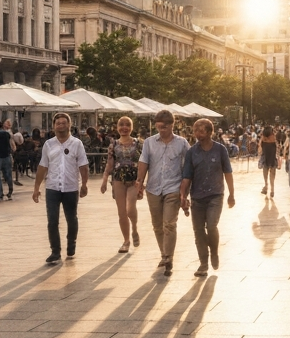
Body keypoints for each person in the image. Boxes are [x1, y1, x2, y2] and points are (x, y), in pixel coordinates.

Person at [136, 110, 189, 277]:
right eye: (158, 127)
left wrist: (185, 192)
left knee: (169, 224)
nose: (161, 130)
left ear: (172, 125)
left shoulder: (182, 144)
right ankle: (164, 254)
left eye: (164, 127)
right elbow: (144, 162)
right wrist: (139, 182)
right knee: (157, 226)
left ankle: (169, 258)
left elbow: (188, 168)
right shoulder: (149, 143)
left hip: (173, 188)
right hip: (153, 188)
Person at [31, 112, 89, 264]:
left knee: (72, 218)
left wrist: (84, 184)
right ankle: (55, 251)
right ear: (54, 126)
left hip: (71, 187)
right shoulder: (48, 144)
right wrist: (37, 187)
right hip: (52, 187)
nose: (61, 126)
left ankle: (71, 244)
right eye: (58, 123)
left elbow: (83, 165)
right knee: (52, 220)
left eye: (64, 123)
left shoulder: (77, 144)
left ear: (69, 125)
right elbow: (43, 166)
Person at [180, 118, 234, 277]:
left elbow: (228, 172)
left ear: (210, 132)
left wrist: (232, 194)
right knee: (198, 231)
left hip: (215, 195)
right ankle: (203, 264)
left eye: (201, 131)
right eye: (195, 131)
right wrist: (183, 196)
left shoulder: (220, 150)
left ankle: (214, 251)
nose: (197, 134)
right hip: (197, 197)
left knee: (211, 226)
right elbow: (187, 176)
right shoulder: (191, 152)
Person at [100, 115, 141, 254]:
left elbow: (144, 163)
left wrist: (143, 180)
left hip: (134, 179)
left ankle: (134, 227)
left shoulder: (139, 143)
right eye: (121, 125)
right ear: (117, 128)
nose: (124, 127)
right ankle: (126, 241)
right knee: (122, 212)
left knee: (130, 209)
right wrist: (105, 179)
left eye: (127, 125)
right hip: (118, 179)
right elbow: (110, 163)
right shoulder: (114, 144)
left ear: (131, 128)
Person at [260, 125, 279, 196]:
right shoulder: (266, 139)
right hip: (267, 158)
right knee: (268, 175)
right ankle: (268, 187)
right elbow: (260, 148)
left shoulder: (272, 139)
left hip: (271, 158)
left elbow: (277, 147)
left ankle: (270, 189)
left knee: (270, 175)